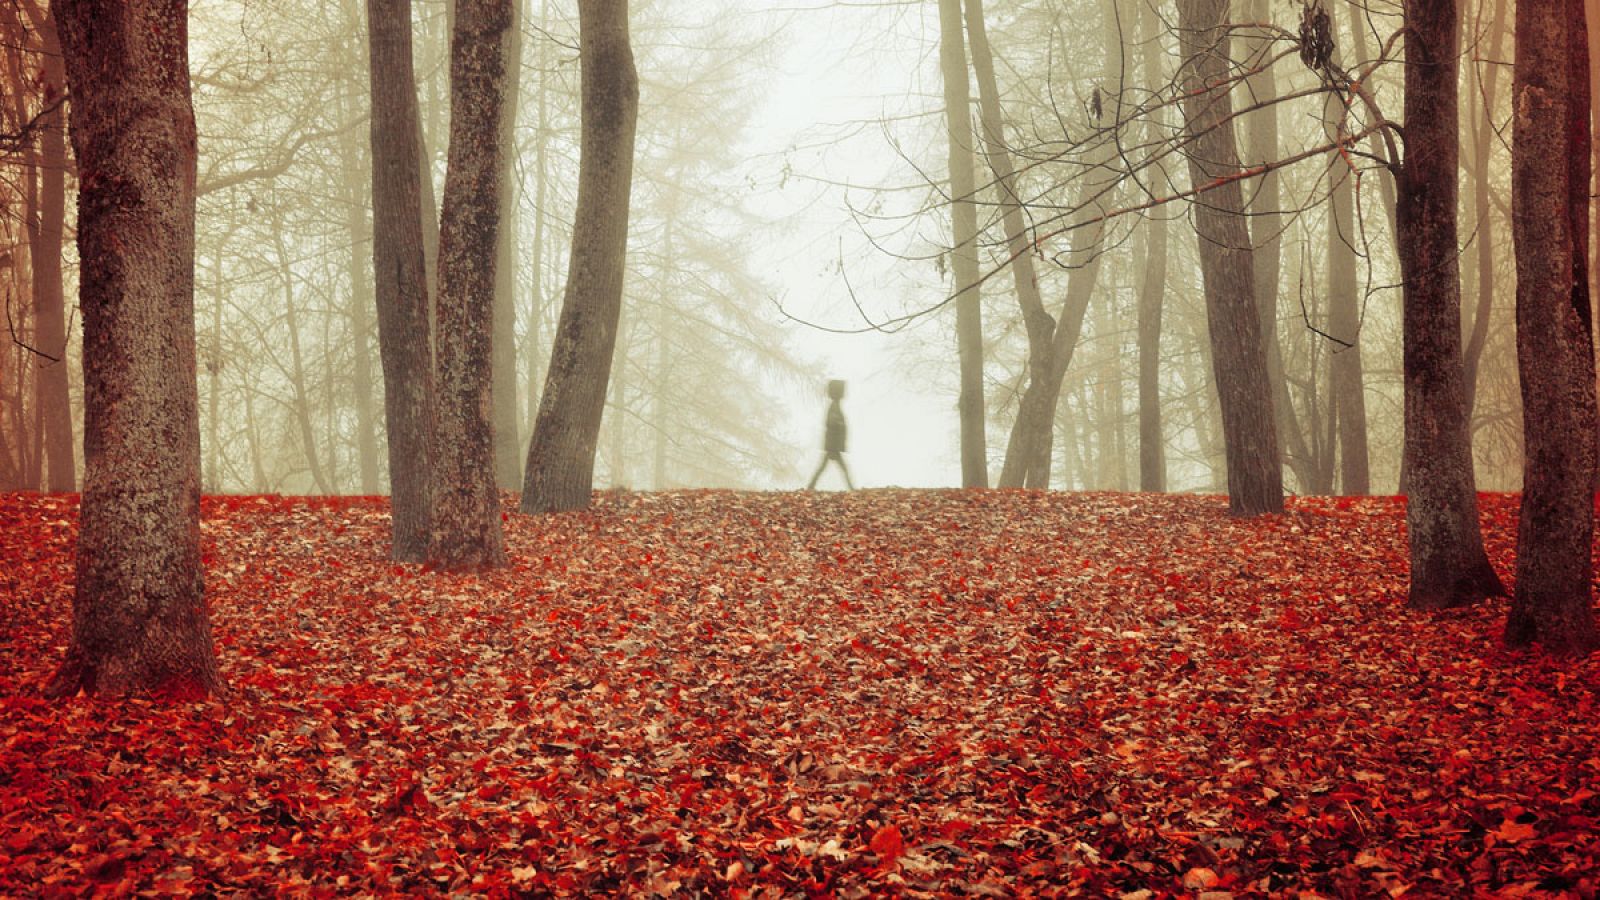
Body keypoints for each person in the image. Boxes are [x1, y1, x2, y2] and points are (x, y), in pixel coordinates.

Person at [807, 379, 854, 490]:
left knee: (824, 467)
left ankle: (811, 485)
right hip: (833, 444)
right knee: (841, 468)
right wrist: (841, 424)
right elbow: (831, 422)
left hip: (833, 444)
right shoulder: (834, 406)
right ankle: (851, 488)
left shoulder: (835, 405)